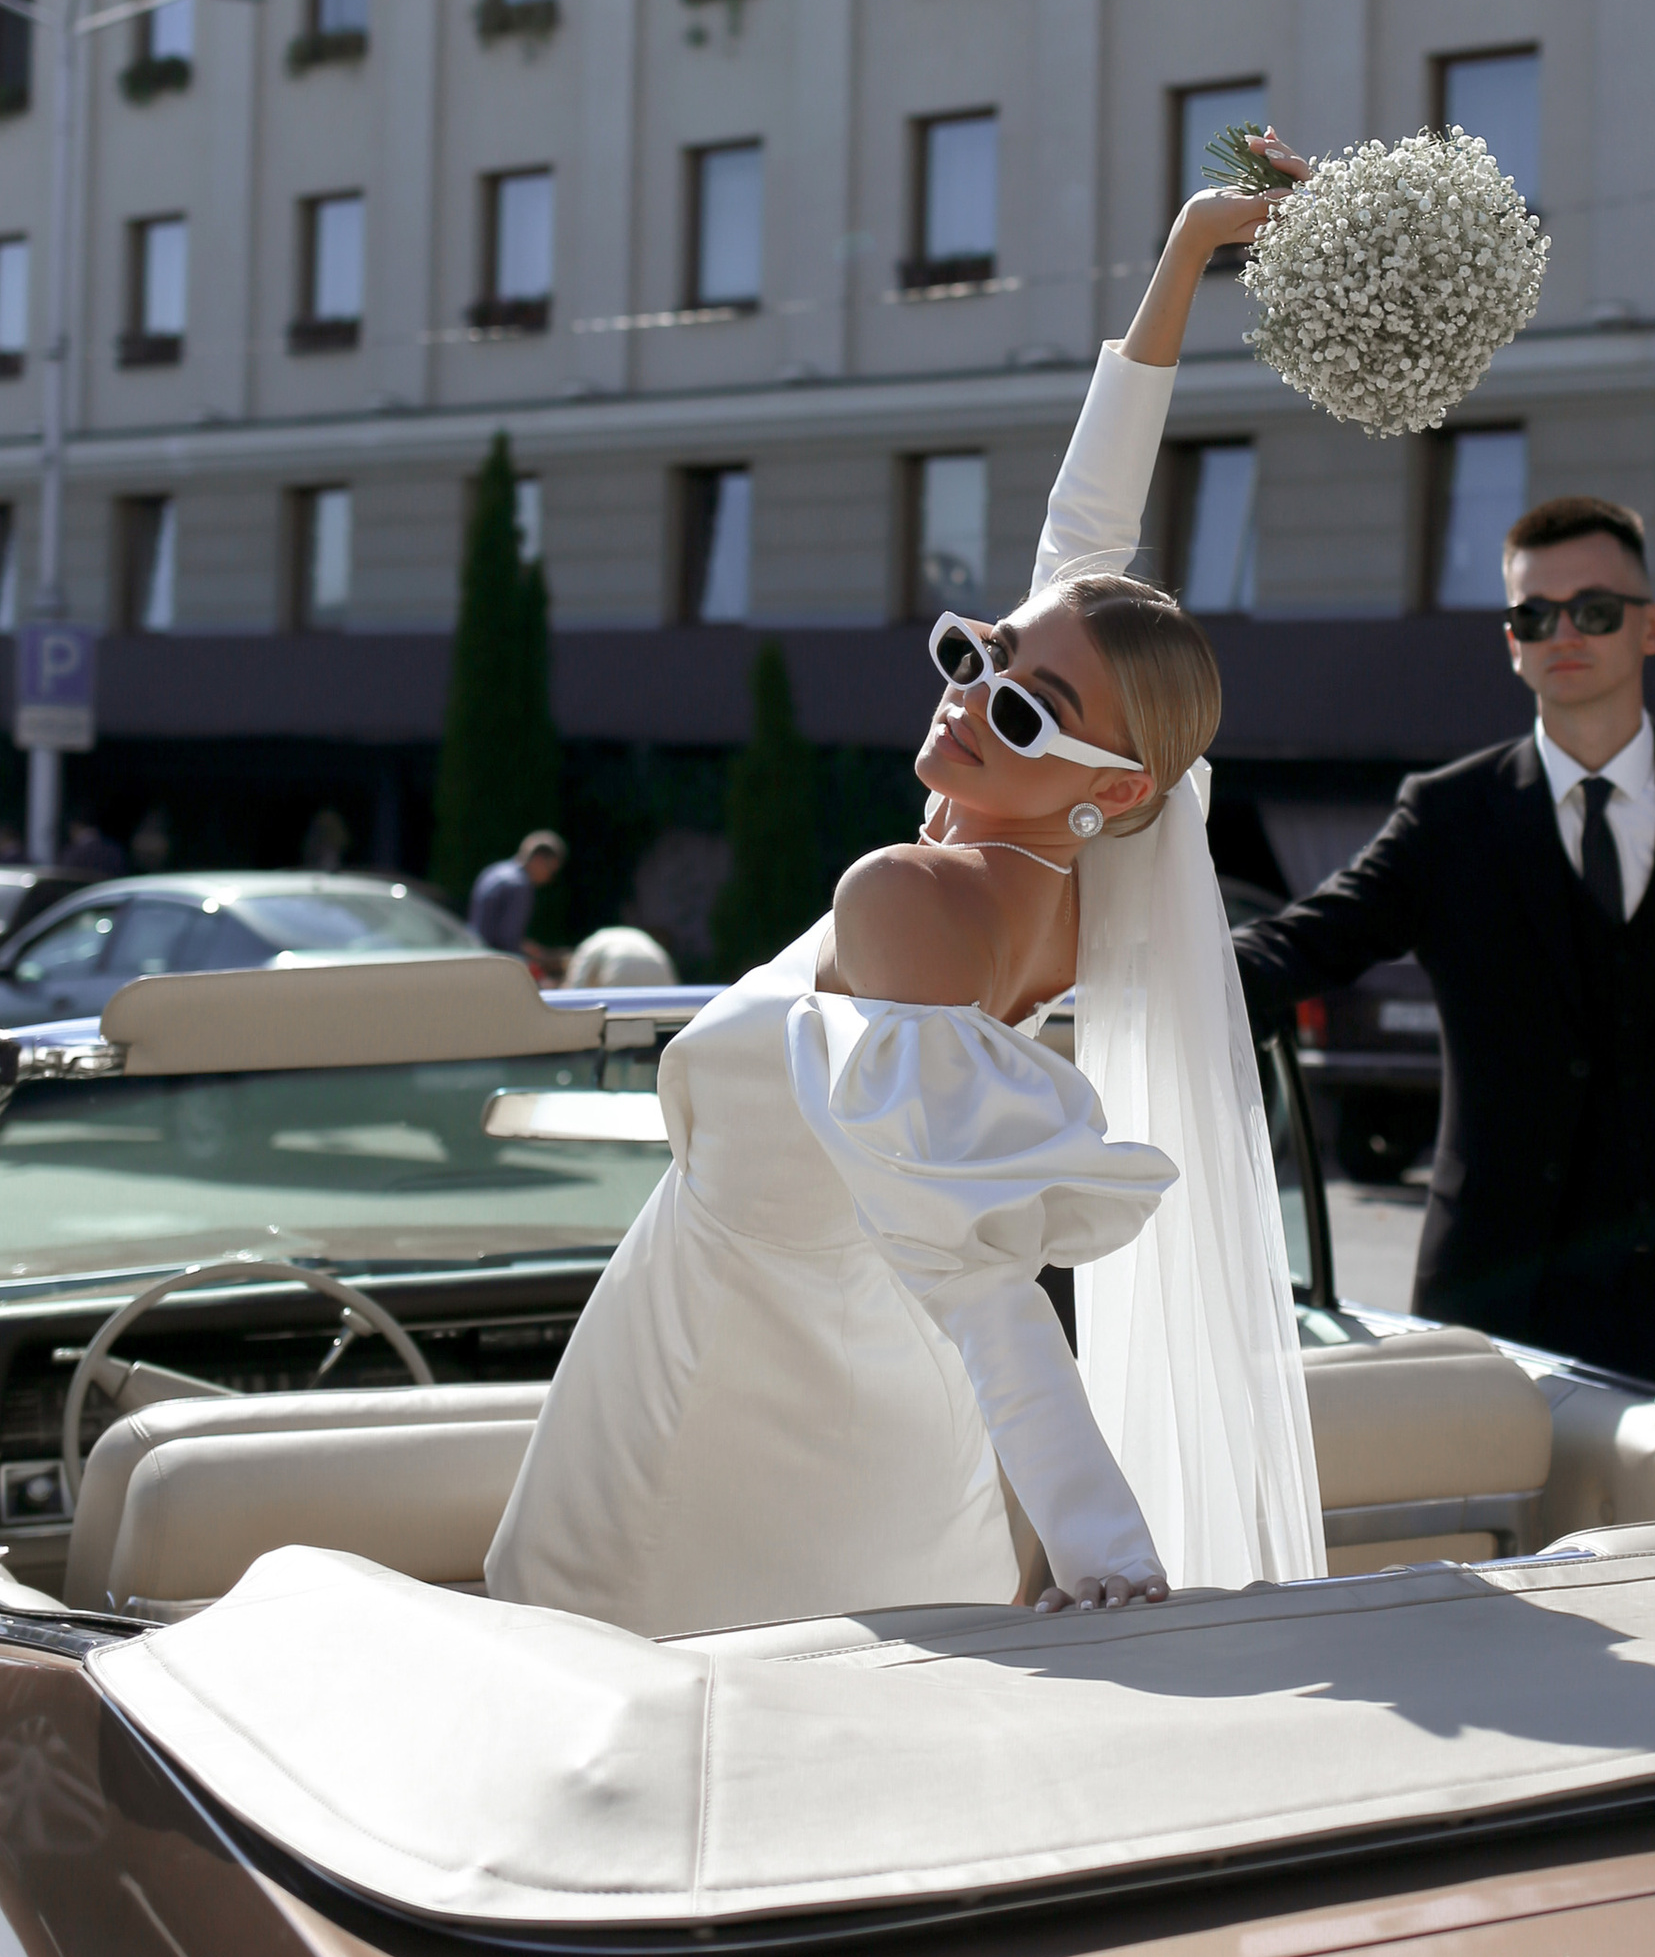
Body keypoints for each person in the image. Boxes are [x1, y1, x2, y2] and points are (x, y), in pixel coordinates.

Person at [488, 169, 1326, 1637]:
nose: (972, 701)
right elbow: (1086, 537)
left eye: (1025, 710)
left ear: (1117, 786)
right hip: (883, 1399)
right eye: (979, 656)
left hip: (715, 1392)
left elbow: (980, 1275)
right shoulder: (1080, 882)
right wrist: (1190, 252)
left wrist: (1105, 1557)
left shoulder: (912, 894)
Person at [1232, 492, 1655, 1420]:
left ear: (1652, 627)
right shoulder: (1447, 815)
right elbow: (1305, 941)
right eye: (1535, 615)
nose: (1564, 633)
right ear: (1512, 642)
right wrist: (1133, 971)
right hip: (1504, 1301)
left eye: (1595, 610)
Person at [468, 828, 567, 972]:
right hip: (494, 965)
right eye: (550, 870)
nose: (549, 878)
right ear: (538, 860)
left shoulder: (493, 871)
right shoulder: (520, 885)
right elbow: (507, 939)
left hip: (474, 955)